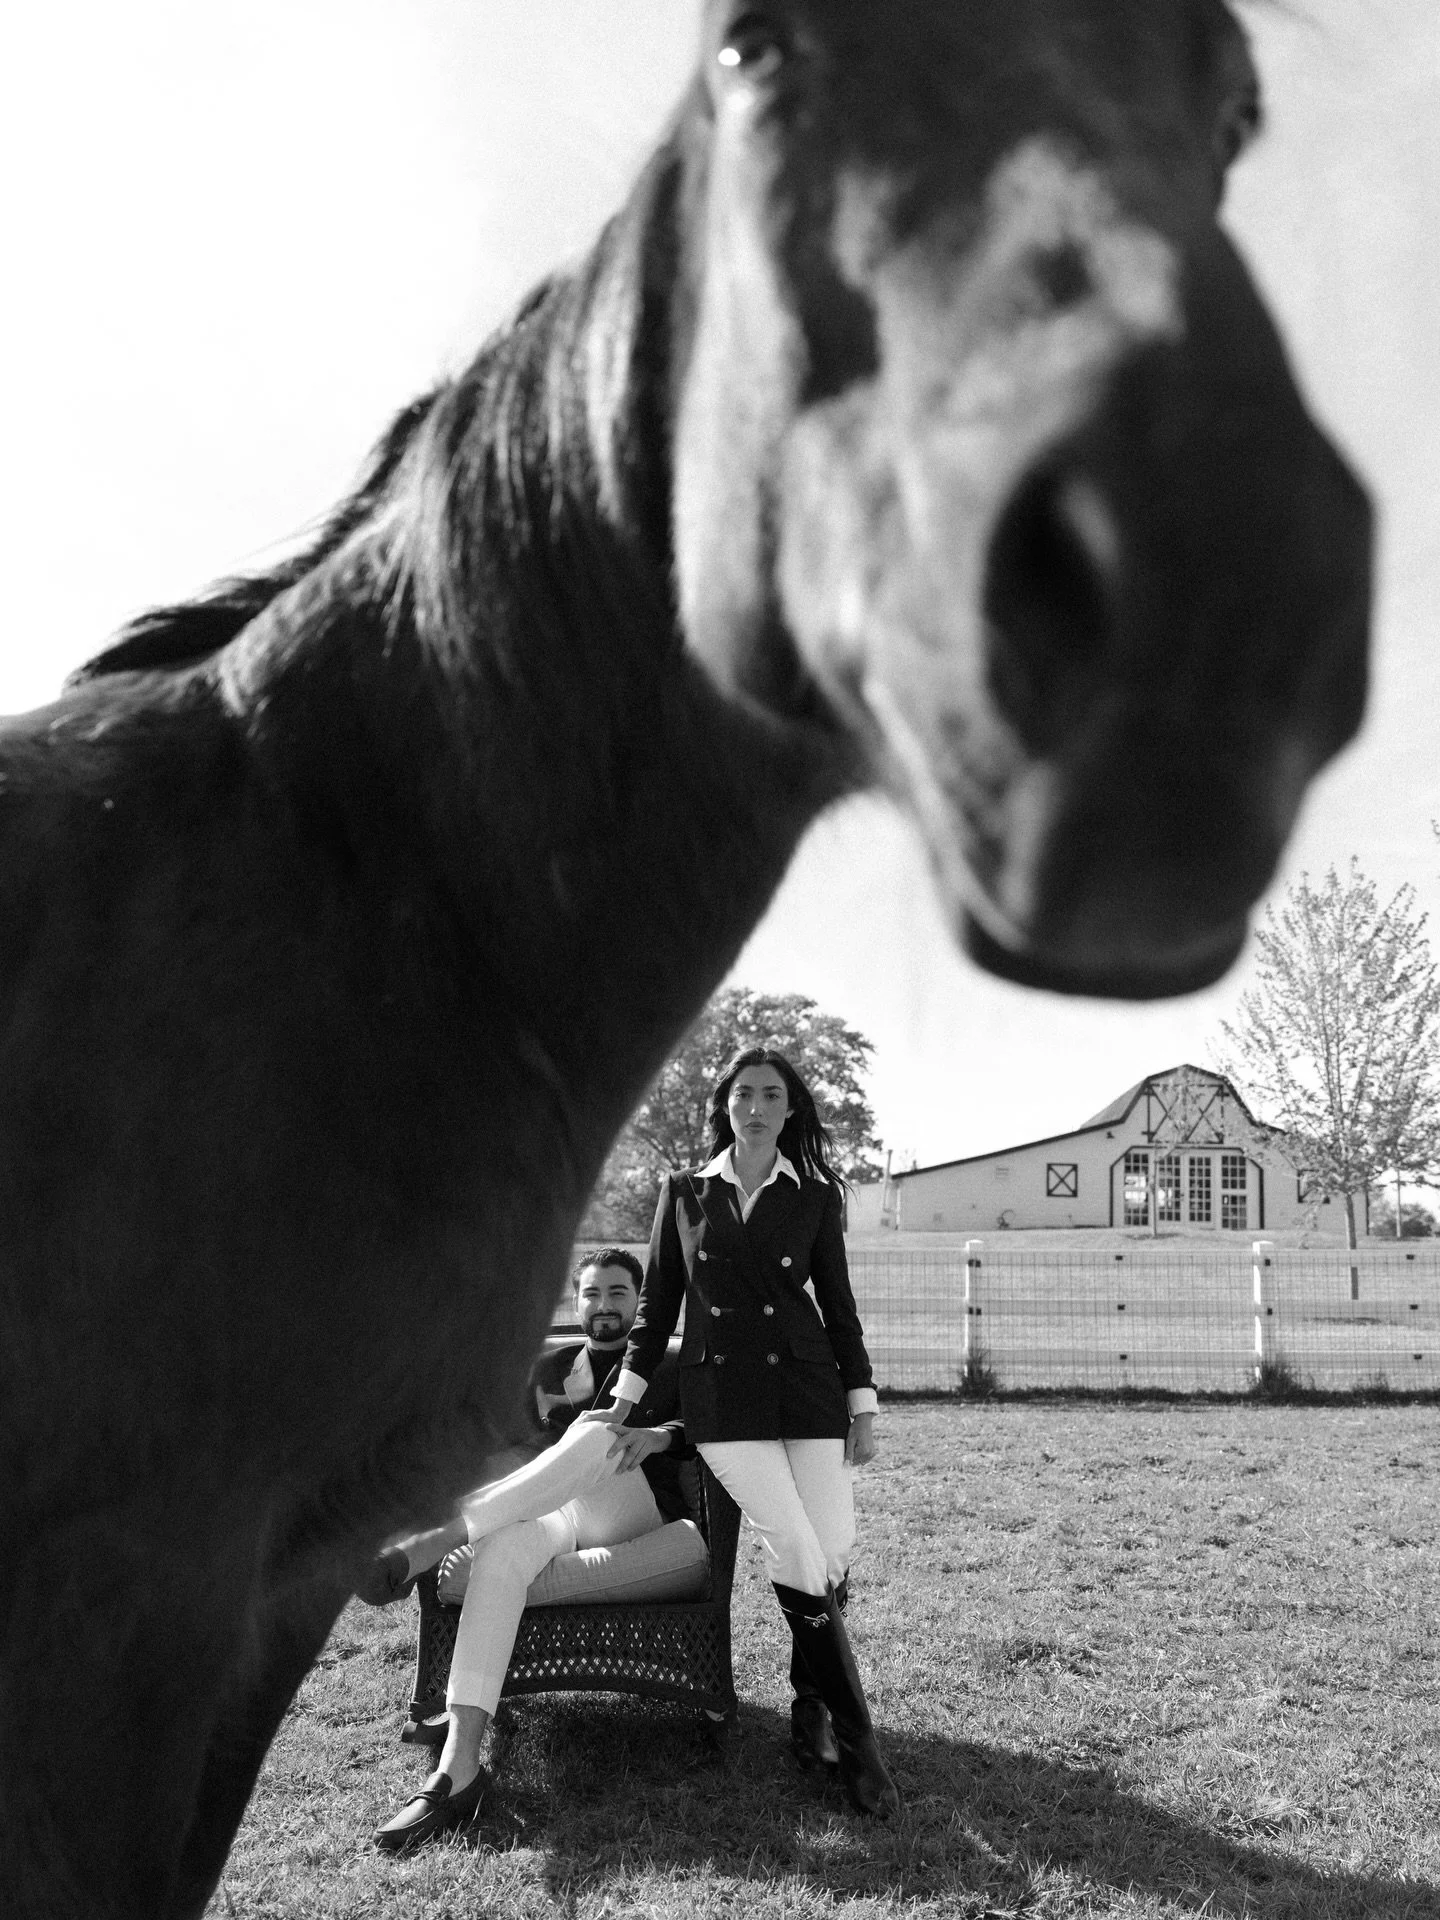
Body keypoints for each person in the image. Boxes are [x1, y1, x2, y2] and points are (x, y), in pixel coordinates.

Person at [609, 1045, 901, 1818]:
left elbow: (837, 1304)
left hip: (807, 1388)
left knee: (833, 1546)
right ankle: (858, 1742)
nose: (758, 1106)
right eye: (745, 1094)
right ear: (726, 1106)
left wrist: (862, 1405)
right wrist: (625, 1397)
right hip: (724, 1402)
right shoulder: (685, 1191)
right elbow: (655, 1309)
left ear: (790, 1108)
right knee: (796, 1546)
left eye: (772, 1094)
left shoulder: (816, 1192)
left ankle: (809, 1708)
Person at [359, 1248, 691, 1850]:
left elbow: (711, 1429)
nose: (605, 1305)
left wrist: (660, 1433)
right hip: (557, 1513)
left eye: (619, 1293)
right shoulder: (552, 1370)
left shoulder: (670, 1363)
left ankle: (442, 1537)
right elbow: (511, 1459)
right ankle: (459, 1770)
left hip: (641, 1517)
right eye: (593, 1293)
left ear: (640, 1303)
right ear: (578, 1302)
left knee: (595, 1432)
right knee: (506, 1546)